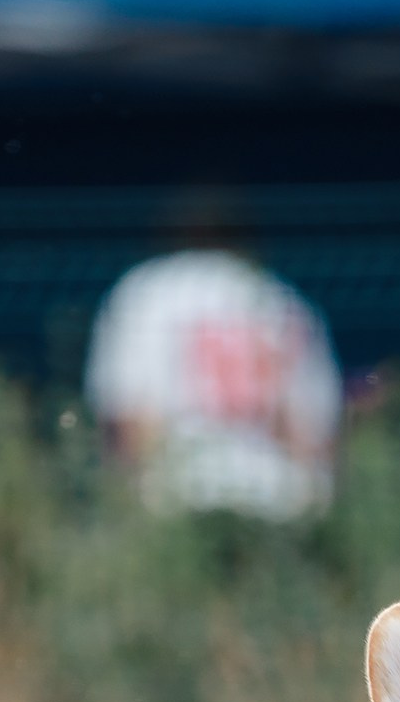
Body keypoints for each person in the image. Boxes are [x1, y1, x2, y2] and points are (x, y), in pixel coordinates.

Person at [85, 197, 343, 521]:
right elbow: (311, 433)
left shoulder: (146, 292)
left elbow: (130, 418)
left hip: (176, 492)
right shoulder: (282, 300)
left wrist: (124, 502)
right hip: (277, 497)